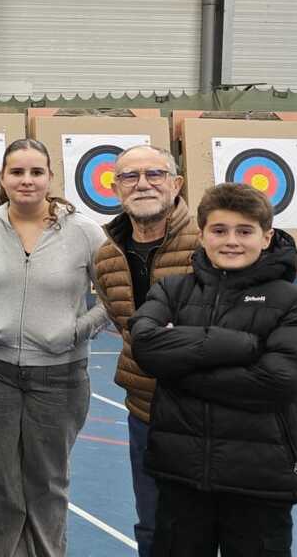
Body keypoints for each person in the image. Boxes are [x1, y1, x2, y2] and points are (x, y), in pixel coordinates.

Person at [131, 182, 297, 556]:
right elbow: (146, 347)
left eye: (244, 231)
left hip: (259, 478)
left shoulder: (294, 299)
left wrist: (179, 369)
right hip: (181, 473)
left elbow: (277, 380)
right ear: (201, 235)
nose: (231, 241)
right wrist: (240, 345)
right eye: (219, 230)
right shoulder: (172, 290)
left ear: (266, 237)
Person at [0, 138, 108, 557]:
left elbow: (118, 298)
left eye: (35, 172)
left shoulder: (84, 232)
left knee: (47, 481)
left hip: (60, 377)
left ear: (49, 177)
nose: (26, 180)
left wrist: (78, 330)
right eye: (17, 172)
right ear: (3, 178)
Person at [89, 144, 198, 557]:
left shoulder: (211, 243)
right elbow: (125, 327)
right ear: (116, 189)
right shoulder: (106, 257)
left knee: (207, 527)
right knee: (152, 526)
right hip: (146, 413)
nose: (143, 184)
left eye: (155, 174)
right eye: (130, 177)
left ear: (176, 184)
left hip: (208, 415)